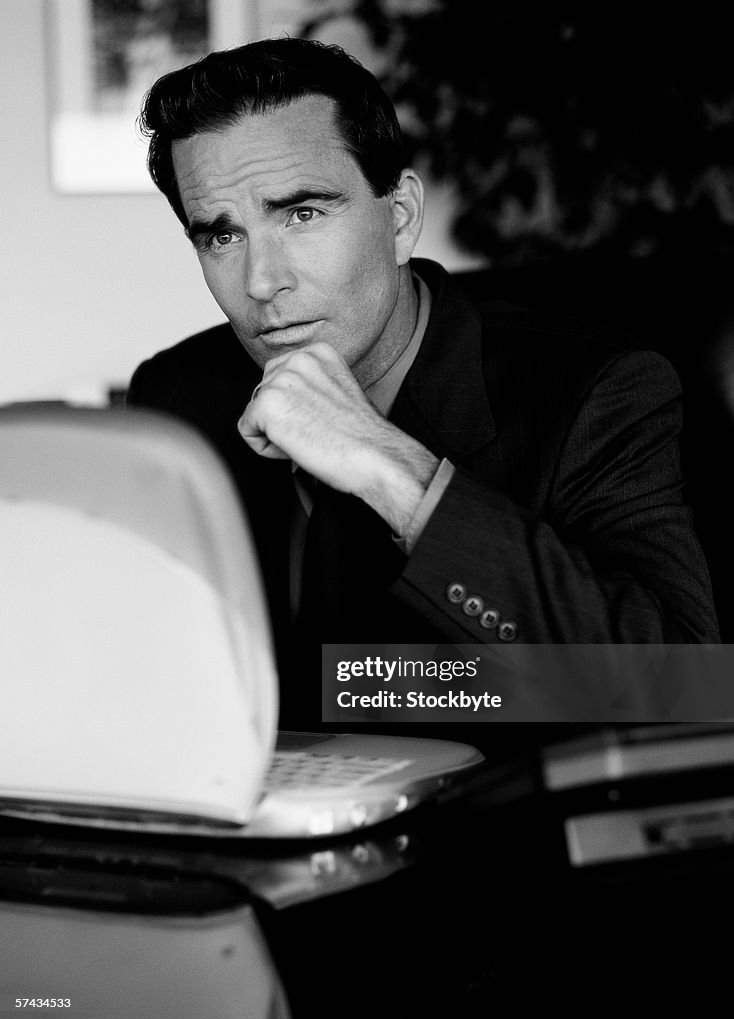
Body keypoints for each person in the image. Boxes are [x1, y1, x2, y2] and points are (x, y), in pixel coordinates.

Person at [127, 37, 719, 727]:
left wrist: (390, 467)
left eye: (303, 213)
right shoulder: (177, 395)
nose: (262, 282)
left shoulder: (594, 392)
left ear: (401, 218)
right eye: (221, 237)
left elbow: (686, 690)